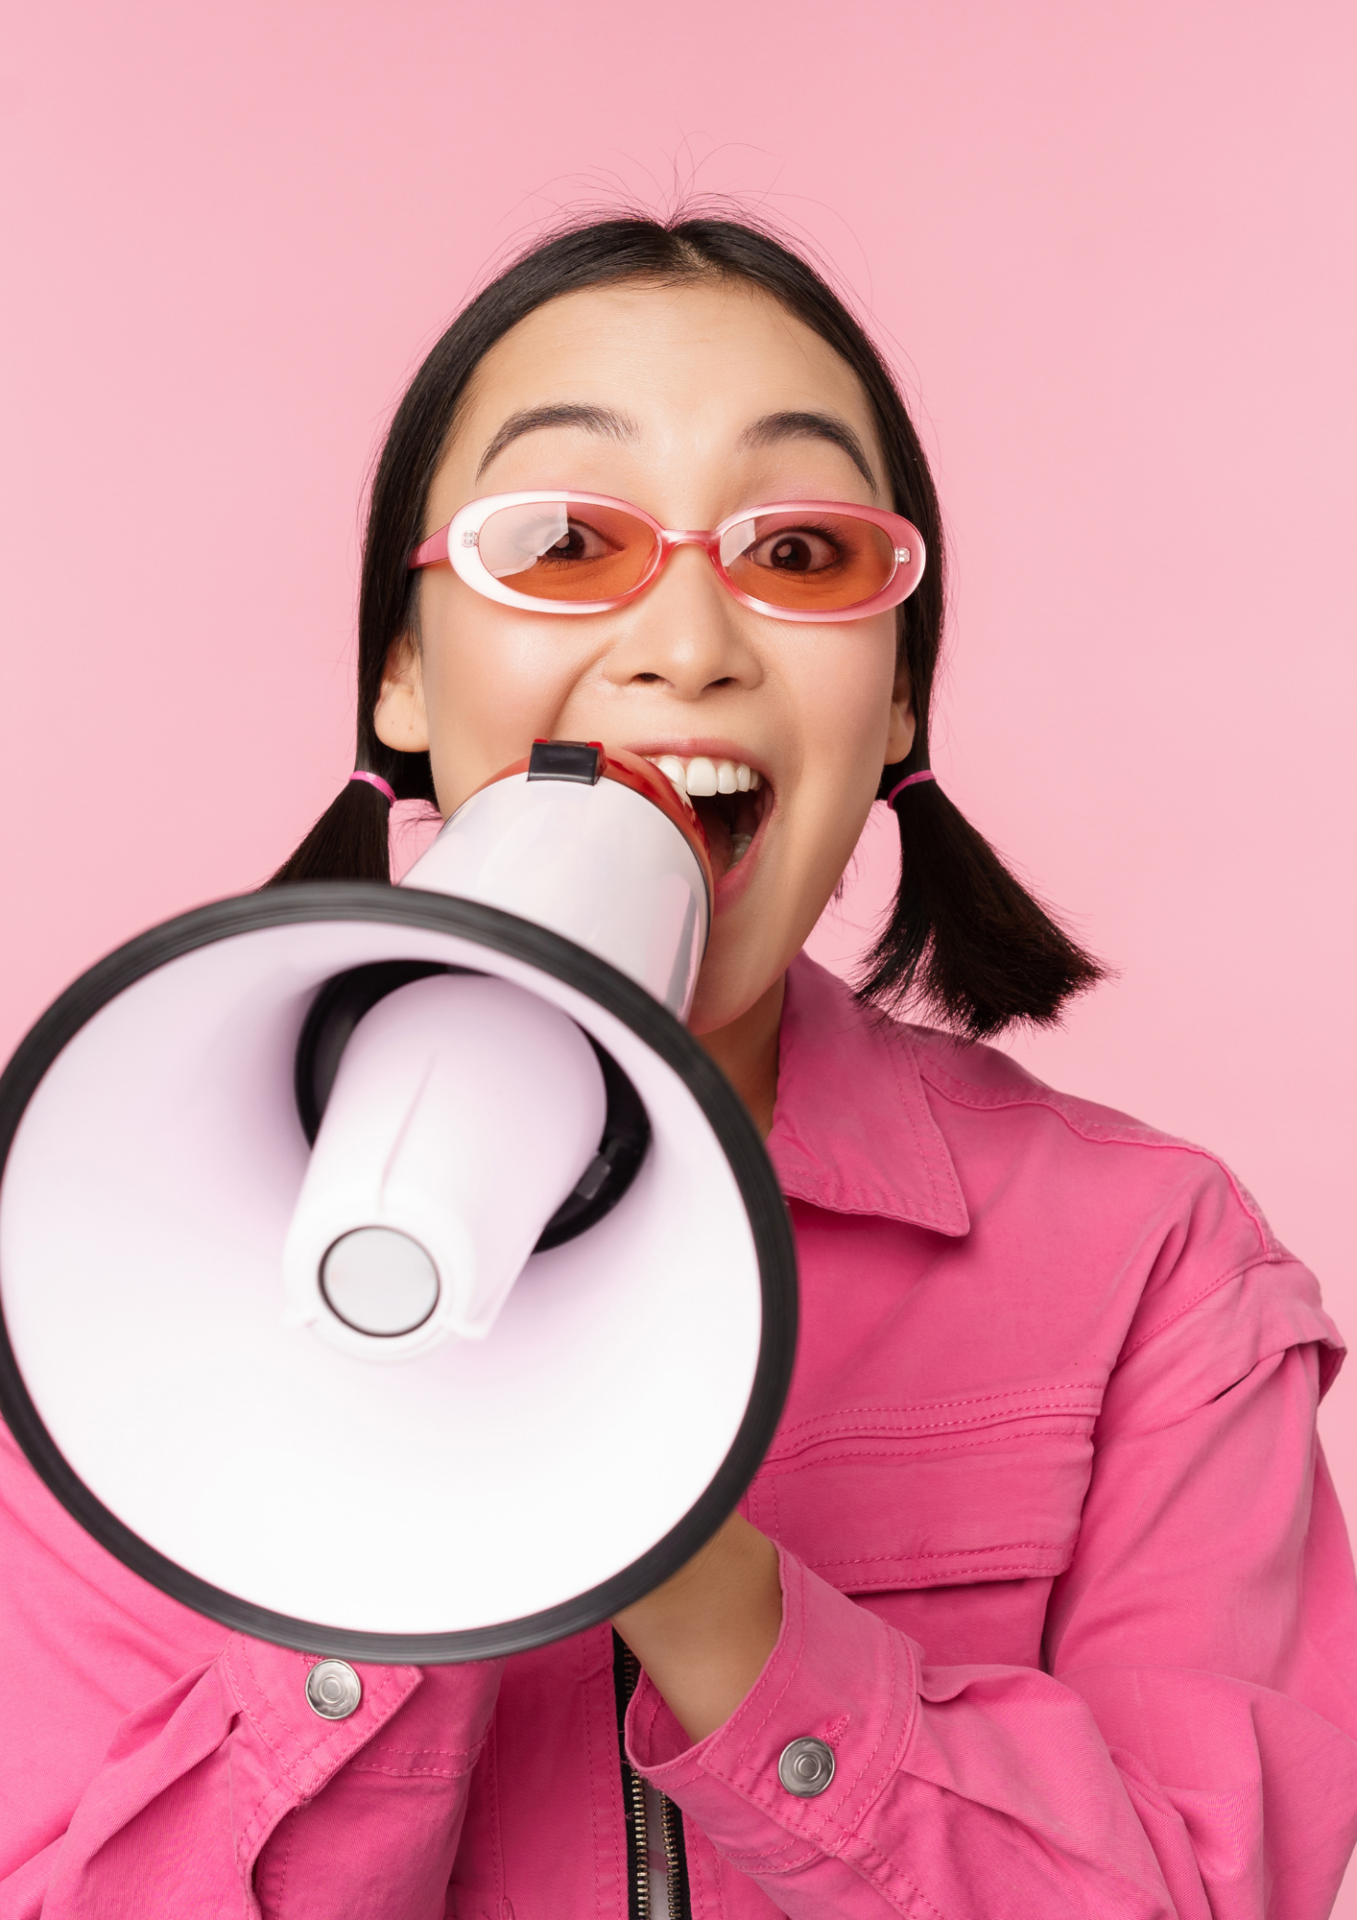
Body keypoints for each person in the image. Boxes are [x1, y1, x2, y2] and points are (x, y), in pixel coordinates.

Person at [2, 213, 1355, 1920]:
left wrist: (682, 1556)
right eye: (567, 540)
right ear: (402, 677)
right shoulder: (83, 1266)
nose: (691, 640)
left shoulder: (1154, 1268)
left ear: (900, 704)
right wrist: (376, 1521)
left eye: (798, 556)